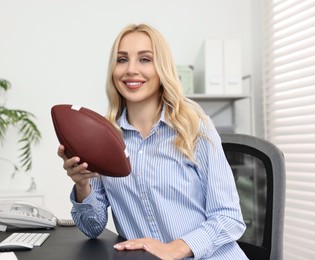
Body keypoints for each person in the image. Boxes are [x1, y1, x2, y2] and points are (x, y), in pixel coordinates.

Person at [57, 23, 248, 260]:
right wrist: (82, 185)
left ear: (162, 68)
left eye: (145, 59)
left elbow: (229, 217)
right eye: (122, 59)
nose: (131, 70)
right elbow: (92, 228)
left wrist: (176, 247)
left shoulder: (195, 127)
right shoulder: (106, 138)